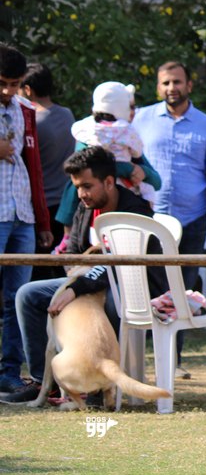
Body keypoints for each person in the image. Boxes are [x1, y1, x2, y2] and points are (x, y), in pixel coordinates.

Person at [1, 146, 165, 404]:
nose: (81, 194)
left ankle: (101, 389)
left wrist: (75, 289)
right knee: (28, 294)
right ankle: (46, 383)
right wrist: (74, 284)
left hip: (135, 288)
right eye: (77, 186)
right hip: (90, 283)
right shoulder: (85, 207)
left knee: (112, 301)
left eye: (87, 186)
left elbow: (119, 265)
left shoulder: (135, 211)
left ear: (109, 182)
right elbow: (76, 254)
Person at [134, 61, 206, 378]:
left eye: (177, 82)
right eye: (165, 83)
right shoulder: (141, 119)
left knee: (183, 291)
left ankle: (173, 362)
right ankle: (142, 361)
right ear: (158, 87)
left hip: (192, 221)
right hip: (150, 220)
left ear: (189, 85)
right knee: (146, 288)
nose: (171, 88)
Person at [0, 44, 53, 394]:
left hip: (22, 214)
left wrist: (44, 220)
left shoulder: (25, 109)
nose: (8, 91)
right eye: (2, 83)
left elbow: (34, 167)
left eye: (16, 84)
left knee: (16, 298)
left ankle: (9, 374)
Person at [18, 62, 75, 279]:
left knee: (38, 270)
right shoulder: (67, 114)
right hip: (65, 204)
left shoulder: (34, 122)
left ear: (28, 90)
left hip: (41, 207)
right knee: (63, 267)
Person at [71, 82, 156, 205]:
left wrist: (144, 171)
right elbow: (138, 153)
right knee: (148, 192)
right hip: (123, 192)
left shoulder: (88, 129)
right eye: (129, 107)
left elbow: (156, 179)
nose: (133, 112)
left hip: (98, 196)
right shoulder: (126, 130)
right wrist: (130, 168)